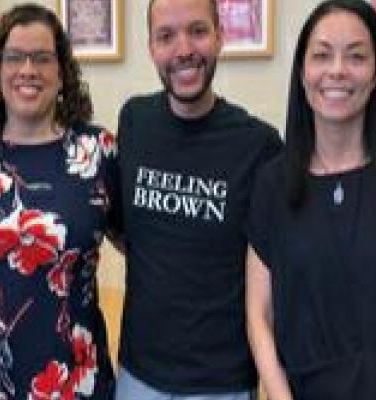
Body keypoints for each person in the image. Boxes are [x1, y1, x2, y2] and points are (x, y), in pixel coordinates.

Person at [0, 4, 117, 400]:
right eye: (15, 57)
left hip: (72, 378)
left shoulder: (97, 151)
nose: (28, 70)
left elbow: (134, 241)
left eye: (42, 58)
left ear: (62, 74)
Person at [114, 0, 282, 398]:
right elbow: (126, 231)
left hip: (221, 382)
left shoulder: (259, 145)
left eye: (198, 31)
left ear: (220, 37)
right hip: (138, 375)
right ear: (151, 47)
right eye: (166, 36)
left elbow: (275, 273)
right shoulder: (134, 121)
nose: (183, 49)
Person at [246, 0, 376, 399]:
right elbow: (258, 315)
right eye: (321, 55)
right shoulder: (272, 182)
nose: (337, 69)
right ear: (302, 72)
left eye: (356, 56)